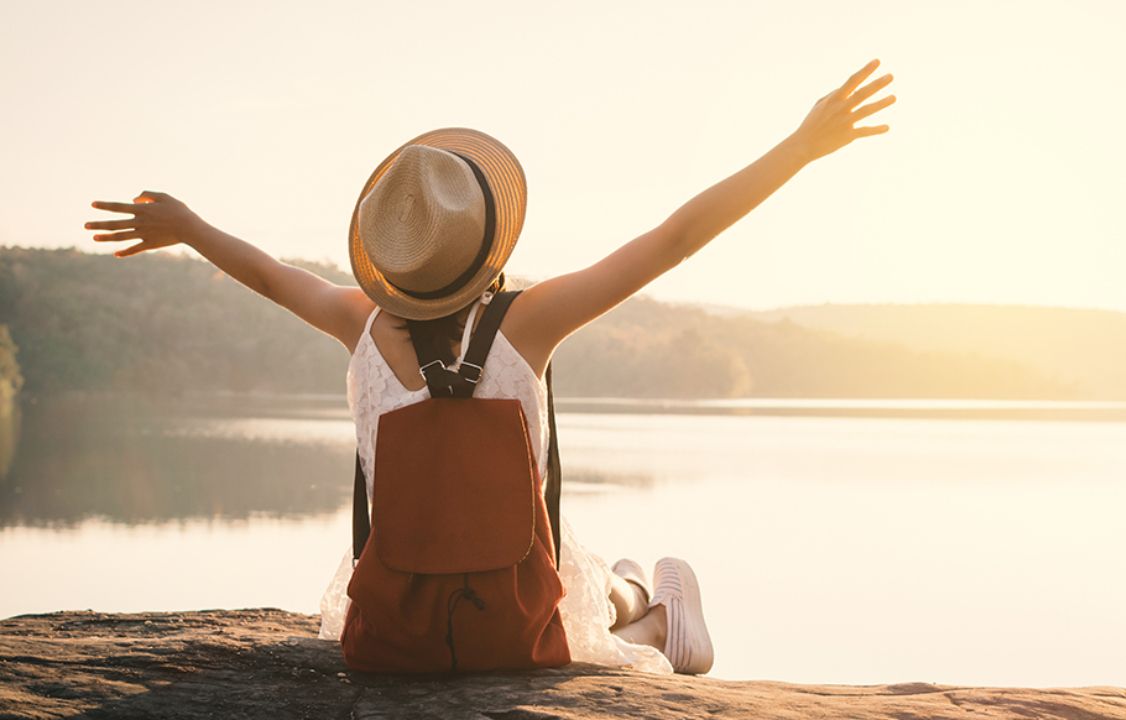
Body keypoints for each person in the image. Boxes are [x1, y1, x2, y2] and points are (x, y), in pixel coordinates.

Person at [85, 59, 895, 675]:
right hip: (516, 629)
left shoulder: (354, 322)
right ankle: (651, 613)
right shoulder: (530, 322)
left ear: (387, 261)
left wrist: (188, 226)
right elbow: (675, 238)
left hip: (396, 632)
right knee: (585, 579)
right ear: (484, 245)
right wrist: (800, 147)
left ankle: (635, 590)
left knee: (576, 562)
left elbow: (266, 275)